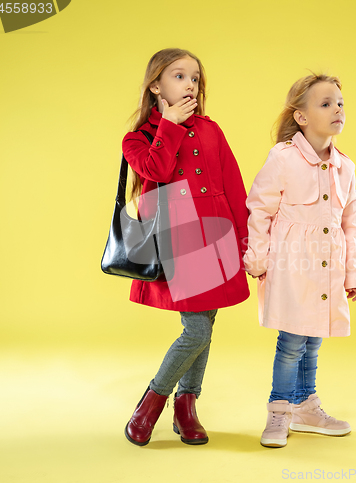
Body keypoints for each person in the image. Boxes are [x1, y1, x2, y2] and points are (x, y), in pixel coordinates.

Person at [121, 48, 250, 446]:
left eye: (195, 77)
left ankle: (186, 405)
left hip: (217, 237)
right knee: (196, 329)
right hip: (177, 240)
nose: (190, 83)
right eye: (179, 76)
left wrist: (247, 244)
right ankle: (155, 401)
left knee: (205, 325)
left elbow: (234, 186)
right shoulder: (137, 138)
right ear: (156, 85)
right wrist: (170, 125)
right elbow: (156, 169)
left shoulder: (212, 130)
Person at [243, 73, 356, 448]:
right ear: (301, 117)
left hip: (328, 268)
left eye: (340, 102)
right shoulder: (283, 158)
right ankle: (279, 410)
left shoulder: (346, 166)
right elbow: (259, 209)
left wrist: (352, 272)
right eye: (325, 103)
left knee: (314, 340)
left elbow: (351, 223)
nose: (337, 109)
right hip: (292, 266)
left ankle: (306, 405)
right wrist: (257, 259)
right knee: (292, 340)